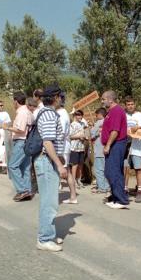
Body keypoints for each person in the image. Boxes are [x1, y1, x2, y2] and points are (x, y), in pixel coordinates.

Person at [35, 85, 67, 252]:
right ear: (55, 97)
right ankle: (44, 238)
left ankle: (48, 233)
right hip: (47, 162)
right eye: (60, 96)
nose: (62, 98)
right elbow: (47, 142)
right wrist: (60, 165)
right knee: (49, 202)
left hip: (49, 161)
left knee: (50, 201)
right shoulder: (48, 114)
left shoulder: (48, 113)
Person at [100, 90, 130, 209]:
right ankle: (115, 197)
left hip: (116, 144)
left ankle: (121, 200)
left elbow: (115, 131)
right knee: (109, 171)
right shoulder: (110, 112)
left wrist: (108, 145)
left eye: (103, 99)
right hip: (113, 144)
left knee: (114, 171)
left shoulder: (117, 111)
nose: (102, 101)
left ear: (110, 99)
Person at [124, 97, 141, 203]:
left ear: (135, 104)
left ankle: (139, 190)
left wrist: (139, 128)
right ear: (125, 105)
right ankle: (125, 189)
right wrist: (130, 131)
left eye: (132, 104)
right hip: (125, 145)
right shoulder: (123, 115)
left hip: (137, 146)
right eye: (128, 104)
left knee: (138, 168)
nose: (130, 106)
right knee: (125, 168)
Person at [8, 92, 34, 202]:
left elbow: (21, 130)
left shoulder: (22, 113)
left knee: (12, 166)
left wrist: (7, 127)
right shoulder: (27, 111)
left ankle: (23, 190)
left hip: (21, 141)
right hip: (27, 141)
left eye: (13, 101)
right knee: (25, 167)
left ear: (16, 101)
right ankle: (27, 189)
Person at [65, 110, 87, 203]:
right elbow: (69, 136)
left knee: (81, 163)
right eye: (78, 115)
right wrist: (78, 137)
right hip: (74, 147)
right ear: (75, 116)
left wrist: (84, 137)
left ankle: (79, 179)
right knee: (74, 164)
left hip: (81, 147)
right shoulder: (72, 124)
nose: (80, 116)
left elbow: (85, 133)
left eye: (81, 115)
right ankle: (73, 180)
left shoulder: (82, 124)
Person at [90, 108, 110, 196]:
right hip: (106, 149)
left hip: (99, 150)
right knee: (105, 169)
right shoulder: (108, 122)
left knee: (98, 170)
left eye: (96, 115)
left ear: (100, 114)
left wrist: (92, 126)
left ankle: (102, 187)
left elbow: (92, 134)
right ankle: (106, 186)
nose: (95, 116)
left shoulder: (99, 123)